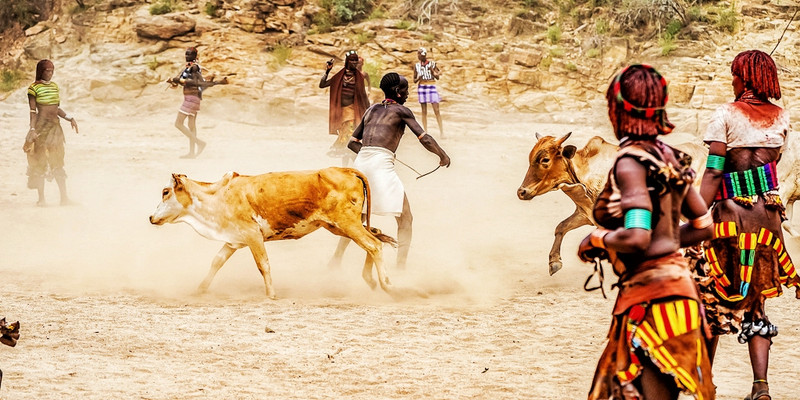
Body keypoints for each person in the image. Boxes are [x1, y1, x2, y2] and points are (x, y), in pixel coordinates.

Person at [578, 64, 715, 400]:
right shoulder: (672, 157)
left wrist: (597, 239)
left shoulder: (630, 162)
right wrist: (664, 243)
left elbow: (637, 236)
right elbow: (703, 225)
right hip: (681, 295)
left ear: (618, 108)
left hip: (652, 301)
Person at [697, 49, 799, 400]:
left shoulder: (725, 113)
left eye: (735, 74)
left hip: (730, 220)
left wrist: (695, 214)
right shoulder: (782, 117)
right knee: (756, 302)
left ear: (746, 78)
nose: (732, 80)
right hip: (767, 223)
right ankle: (761, 387)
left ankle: (703, 384)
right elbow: (769, 166)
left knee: (710, 300)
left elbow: (714, 170)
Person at [329, 72, 450, 269]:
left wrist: (373, 153)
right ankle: (400, 267)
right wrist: (442, 155)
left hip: (360, 165)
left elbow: (352, 143)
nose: (408, 92)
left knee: (357, 217)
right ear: (397, 91)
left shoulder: (371, 110)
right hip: (379, 166)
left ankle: (336, 258)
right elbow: (425, 138)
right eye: (405, 89)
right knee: (405, 218)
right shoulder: (402, 111)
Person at [23, 59, 79, 206]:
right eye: (47, 70)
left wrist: (69, 117)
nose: (50, 73)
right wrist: (32, 129)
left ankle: (64, 199)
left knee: (57, 162)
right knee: (40, 162)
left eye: (52, 70)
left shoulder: (54, 87)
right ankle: (41, 200)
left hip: (55, 129)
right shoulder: (33, 88)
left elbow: (56, 109)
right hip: (41, 129)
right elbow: (33, 111)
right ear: (40, 71)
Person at [167, 47, 226, 159]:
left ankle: (200, 143)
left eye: (189, 54)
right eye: (186, 54)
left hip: (191, 98)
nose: (187, 56)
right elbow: (186, 82)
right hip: (193, 98)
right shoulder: (189, 68)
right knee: (191, 126)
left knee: (178, 123)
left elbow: (197, 82)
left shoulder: (194, 67)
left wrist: (180, 80)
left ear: (194, 56)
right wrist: (174, 82)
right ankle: (192, 153)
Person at [319, 50, 370, 159]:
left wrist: (370, 111)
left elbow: (363, 95)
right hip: (341, 111)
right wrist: (327, 71)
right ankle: (345, 158)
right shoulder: (339, 76)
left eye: (356, 61)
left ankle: (340, 150)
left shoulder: (359, 77)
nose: (355, 63)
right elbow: (322, 85)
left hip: (353, 109)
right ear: (347, 61)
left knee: (350, 130)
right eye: (352, 61)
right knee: (344, 133)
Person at [413, 47, 444, 138]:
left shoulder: (432, 64)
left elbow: (437, 77)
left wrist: (432, 72)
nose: (418, 56)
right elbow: (414, 80)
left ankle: (441, 132)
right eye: (418, 54)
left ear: (424, 55)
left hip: (431, 86)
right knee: (424, 111)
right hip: (422, 87)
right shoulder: (417, 66)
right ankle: (425, 131)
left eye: (419, 54)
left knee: (436, 110)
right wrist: (418, 77)